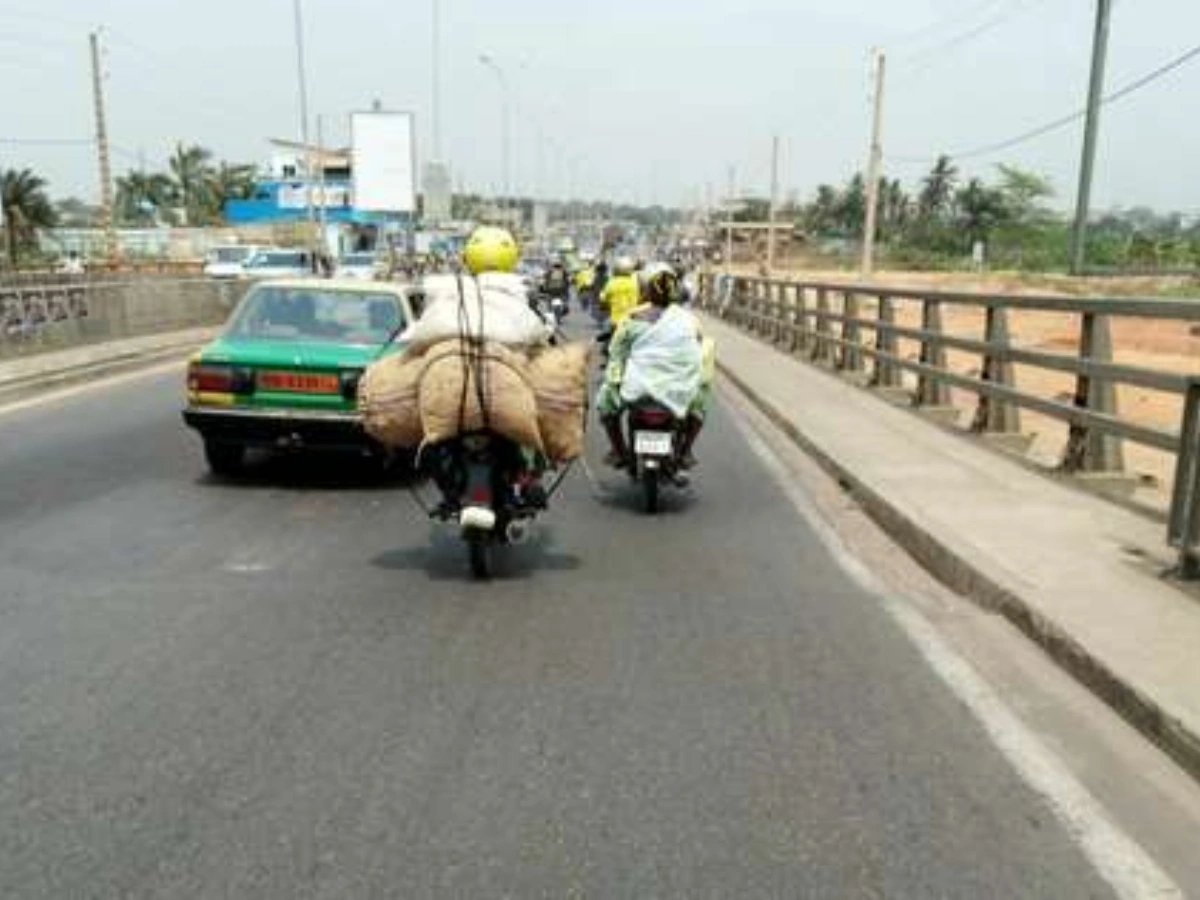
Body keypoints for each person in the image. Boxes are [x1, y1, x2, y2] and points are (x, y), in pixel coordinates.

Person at [597, 264, 713, 470]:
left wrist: (613, 382)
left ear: (647, 291)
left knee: (606, 405)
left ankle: (619, 451)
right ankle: (686, 452)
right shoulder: (688, 320)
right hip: (678, 389)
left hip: (638, 389)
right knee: (700, 405)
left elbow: (616, 355)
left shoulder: (633, 318)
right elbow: (698, 350)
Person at [599, 255, 640, 328]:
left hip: (616, 320)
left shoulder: (612, 282)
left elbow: (603, 298)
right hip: (631, 321)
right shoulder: (634, 283)